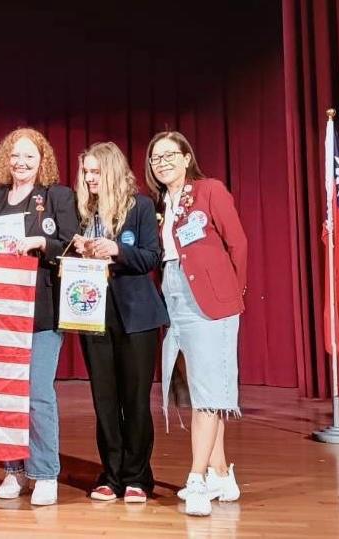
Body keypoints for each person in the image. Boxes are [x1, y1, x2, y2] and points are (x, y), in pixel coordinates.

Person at [145, 131, 246, 516]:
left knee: (207, 391)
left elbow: (238, 243)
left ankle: (197, 479)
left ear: (187, 157)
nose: (163, 162)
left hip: (210, 299)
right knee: (203, 388)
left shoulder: (208, 191)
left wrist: (233, 294)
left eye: (170, 155)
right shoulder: (161, 204)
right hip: (174, 294)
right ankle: (222, 473)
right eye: (156, 158)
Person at [0, 128, 77, 506]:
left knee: (37, 394)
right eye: (15, 156)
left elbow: (71, 242)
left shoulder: (57, 196)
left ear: (42, 160)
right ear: (5, 158)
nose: (21, 162)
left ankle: (45, 472)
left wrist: (40, 243)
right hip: (2, 311)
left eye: (29, 156)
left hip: (41, 310)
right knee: (6, 395)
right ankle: (13, 470)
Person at [71, 141, 168, 505]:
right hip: (94, 312)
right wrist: (80, 249)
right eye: (86, 172)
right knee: (105, 400)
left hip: (137, 315)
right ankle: (110, 475)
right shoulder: (83, 210)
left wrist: (116, 250)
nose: (90, 178)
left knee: (136, 400)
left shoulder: (140, 206)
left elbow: (151, 257)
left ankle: (138, 477)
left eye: (96, 172)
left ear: (111, 170)